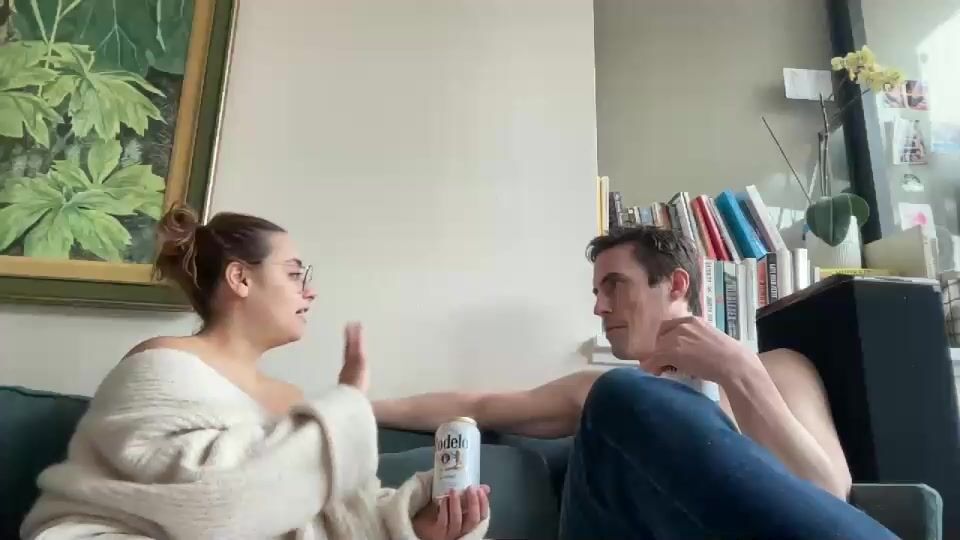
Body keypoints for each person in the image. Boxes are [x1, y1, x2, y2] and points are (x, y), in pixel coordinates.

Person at [375, 226, 897, 539]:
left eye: (615, 286)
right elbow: (480, 404)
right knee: (620, 393)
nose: (599, 307)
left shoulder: (779, 368)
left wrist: (740, 372)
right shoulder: (604, 395)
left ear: (676, 284)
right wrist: (357, 409)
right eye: (596, 292)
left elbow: (830, 494)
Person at [22, 205, 490, 540]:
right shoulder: (161, 362)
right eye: (294, 274)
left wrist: (415, 523)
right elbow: (214, 502)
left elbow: (334, 514)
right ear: (240, 278)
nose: (310, 292)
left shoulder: (292, 400)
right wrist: (348, 401)